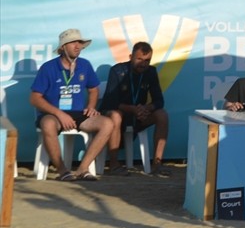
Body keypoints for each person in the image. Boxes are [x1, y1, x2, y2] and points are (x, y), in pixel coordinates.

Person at [28, 29, 114, 181]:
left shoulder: (85, 65)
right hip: (54, 114)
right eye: (73, 42)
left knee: (107, 123)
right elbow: (35, 99)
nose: (78, 46)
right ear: (63, 47)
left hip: (78, 113)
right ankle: (62, 171)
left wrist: (91, 106)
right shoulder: (48, 68)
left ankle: (83, 168)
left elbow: (94, 89)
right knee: (48, 124)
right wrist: (60, 114)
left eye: (80, 43)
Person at [100, 41, 170, 177]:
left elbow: (159, 101)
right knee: (116, 115)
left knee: (162, 115)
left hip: (138, 116)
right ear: (130, 56)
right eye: (139, 59)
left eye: (147, 60)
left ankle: (157, 164)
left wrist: (147, 108)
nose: (143, 64)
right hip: (118, 115)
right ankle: (114, 165)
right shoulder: (117, 71)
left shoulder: (151, 72)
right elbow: (110, 102)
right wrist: (133, 109)